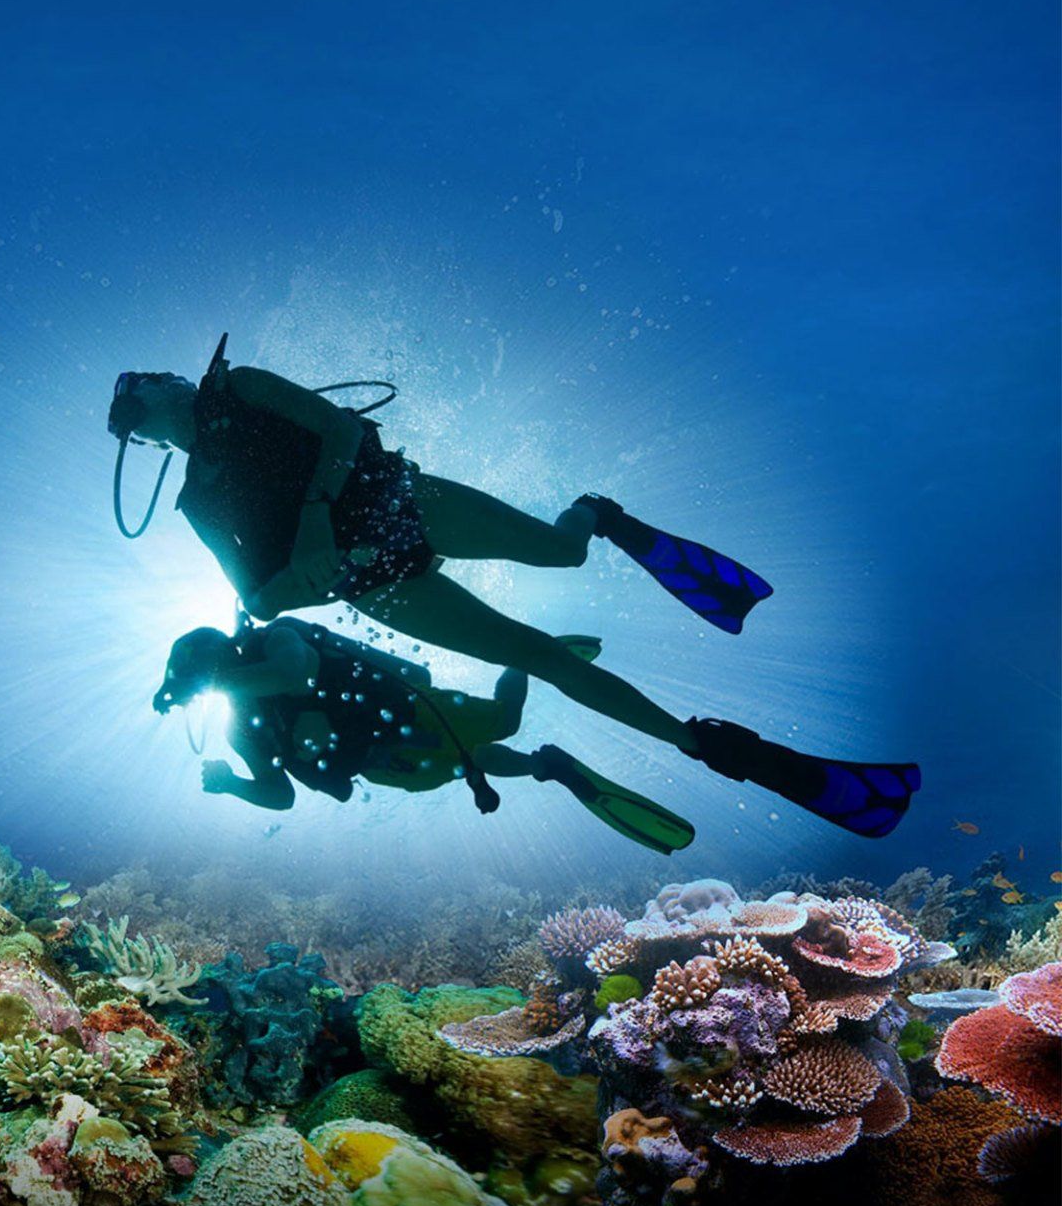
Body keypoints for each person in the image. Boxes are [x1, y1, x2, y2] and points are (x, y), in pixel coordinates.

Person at [110, 335, 920, 838]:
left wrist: (319, 517)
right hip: (373, 584)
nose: (142, 406)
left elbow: (344, 428)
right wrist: (304, 581)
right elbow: (257, 597)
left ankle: (593, 515)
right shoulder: (193, 500)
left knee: (560, 555)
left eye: (141, 387)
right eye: (132, 417)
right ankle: (704, 743)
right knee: (542, 657)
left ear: (167, 378)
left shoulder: (242, 386)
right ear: (144, 440)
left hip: (392, 502)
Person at [152, 619, 695, 853]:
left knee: (503, 720)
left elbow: (295, 673)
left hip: (410, 706)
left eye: (207, 672)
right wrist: (229, 785)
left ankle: (530, 654)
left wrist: (213, 679)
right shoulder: (240, 728)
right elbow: (280, 794)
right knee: (467, 764)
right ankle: (543, 765)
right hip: (384, 764)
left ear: (222, 653)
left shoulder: (277, 637)